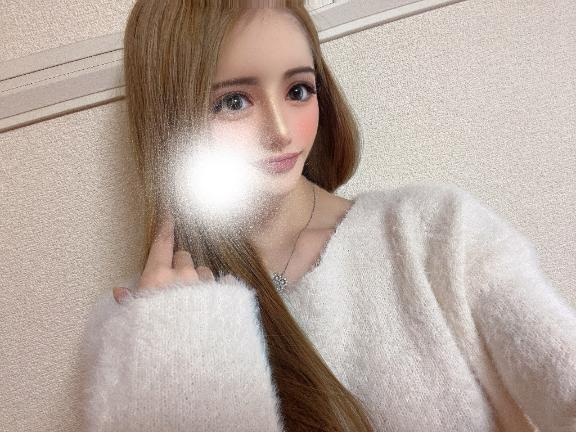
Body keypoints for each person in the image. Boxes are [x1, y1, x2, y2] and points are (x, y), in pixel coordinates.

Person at [79, 1, 576, 431]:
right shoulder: (145, 325)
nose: (280, 131)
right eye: (234, 101)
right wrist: (176, 341)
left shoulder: (436, 232)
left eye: (298, 90)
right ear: (172, 120)